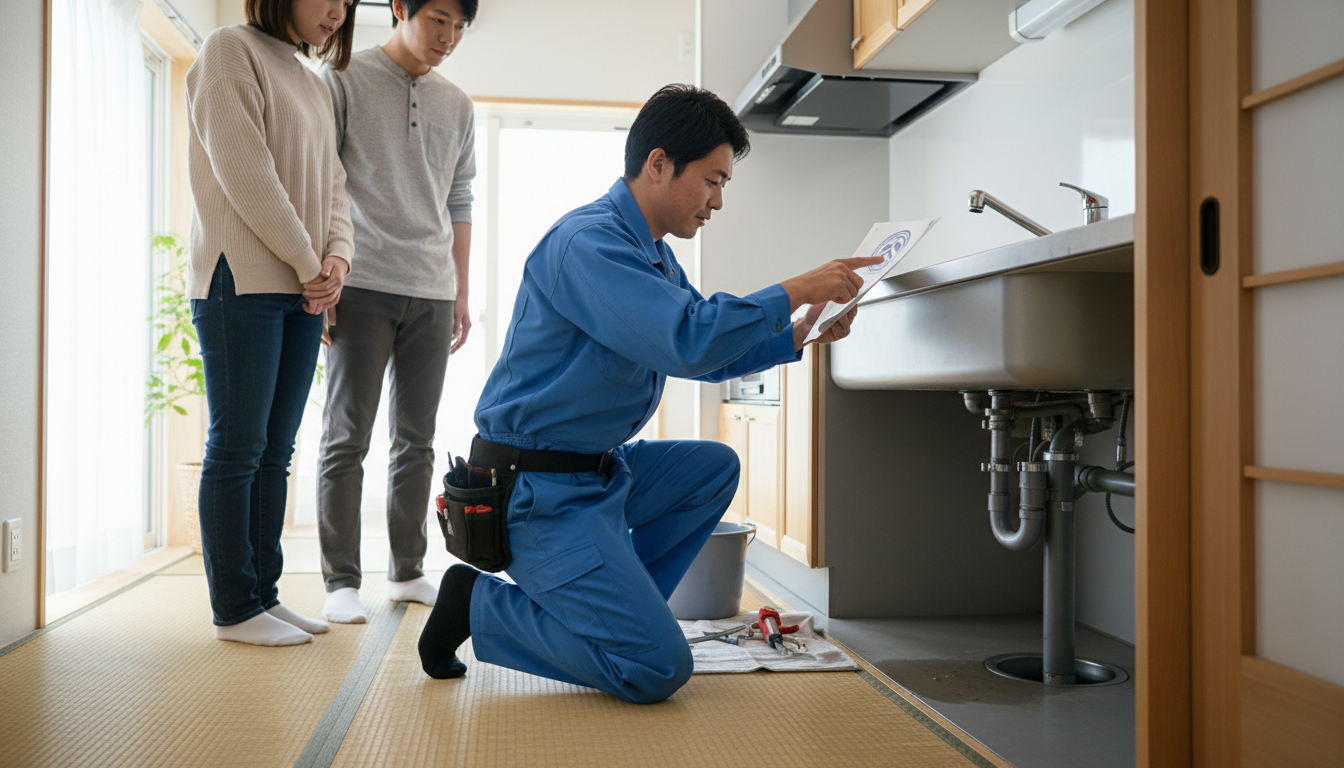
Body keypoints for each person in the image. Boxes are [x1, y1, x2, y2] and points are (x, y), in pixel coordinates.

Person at [416, 84, 879, 702]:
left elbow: (702, 355)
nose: (717, 201)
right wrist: (793, 288)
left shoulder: (653, 254)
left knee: (712, 469)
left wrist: (793, 336)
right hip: (536, 493)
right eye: (712, 181)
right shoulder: (591, 244)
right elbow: (687, 338)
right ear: (659, 164)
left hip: (596, 477)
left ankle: (623, 610)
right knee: (658, 668)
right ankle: (477, 605)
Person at [185, 0, 356, 646]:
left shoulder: (312, 81)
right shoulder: (230, 50)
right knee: (237, 447)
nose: (337, 11)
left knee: (276, 452)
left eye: (347, 0)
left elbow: (335, 186)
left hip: (302, 286)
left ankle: (264, 594)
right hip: (243, 278)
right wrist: (313, 262)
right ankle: (235, 608)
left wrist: (337, 260)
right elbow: (246, 174)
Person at [314, 0, 477, 624]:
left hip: (432, 289)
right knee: (345, 437)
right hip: (360, 282)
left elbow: (459, 197)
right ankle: (340, 580)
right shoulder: (344, 78)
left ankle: (408, 570)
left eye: (460, 27)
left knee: (417, 440)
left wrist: (461, 289)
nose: (449, 37)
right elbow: (321, 178)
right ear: (400, 8)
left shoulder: (457, 104)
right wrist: (326, 275)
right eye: (439, 20)